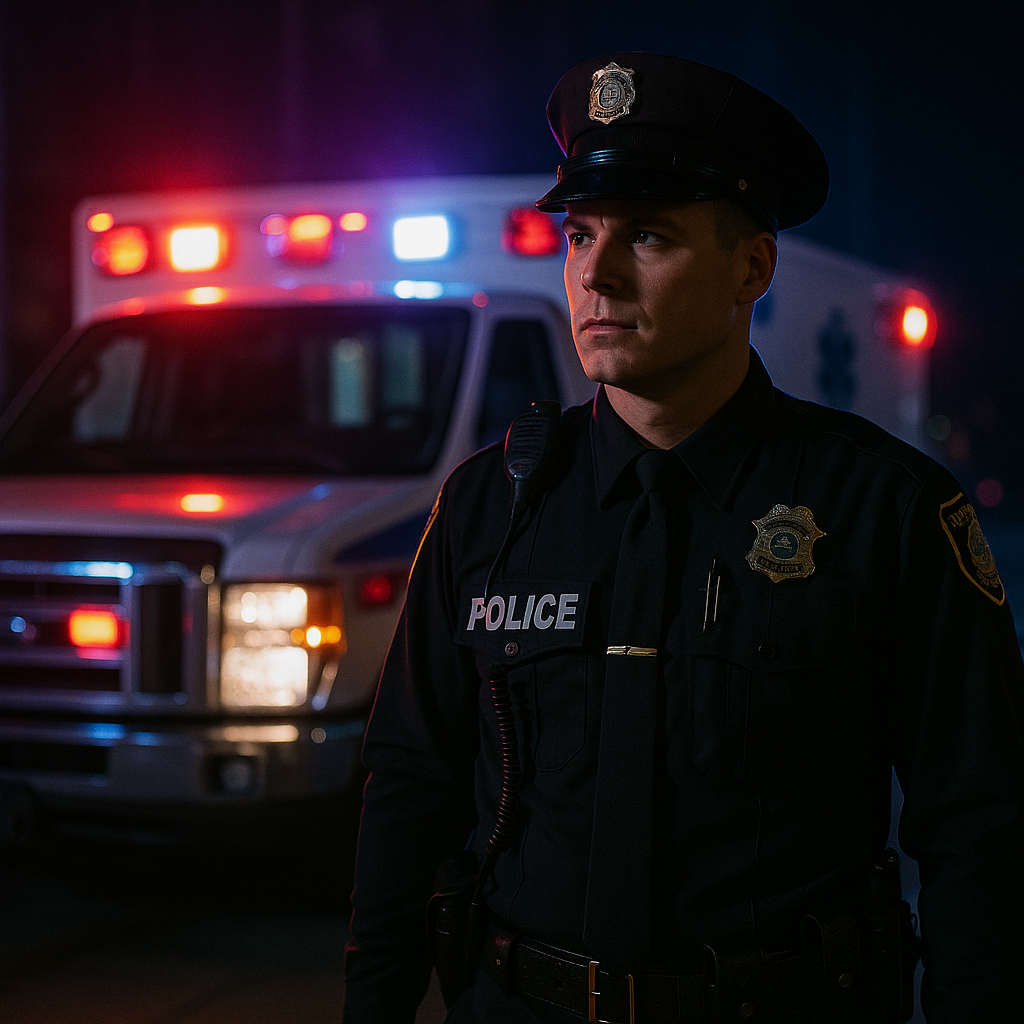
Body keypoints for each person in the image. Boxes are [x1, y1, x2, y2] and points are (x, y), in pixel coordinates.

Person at [343, 52, 1024, 1024]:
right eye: (579, 236)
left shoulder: (883, 509)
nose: (598, 274)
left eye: (649, 236)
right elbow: (411, 786)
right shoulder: (489, 506)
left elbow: (979, 827)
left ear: (751, 265)